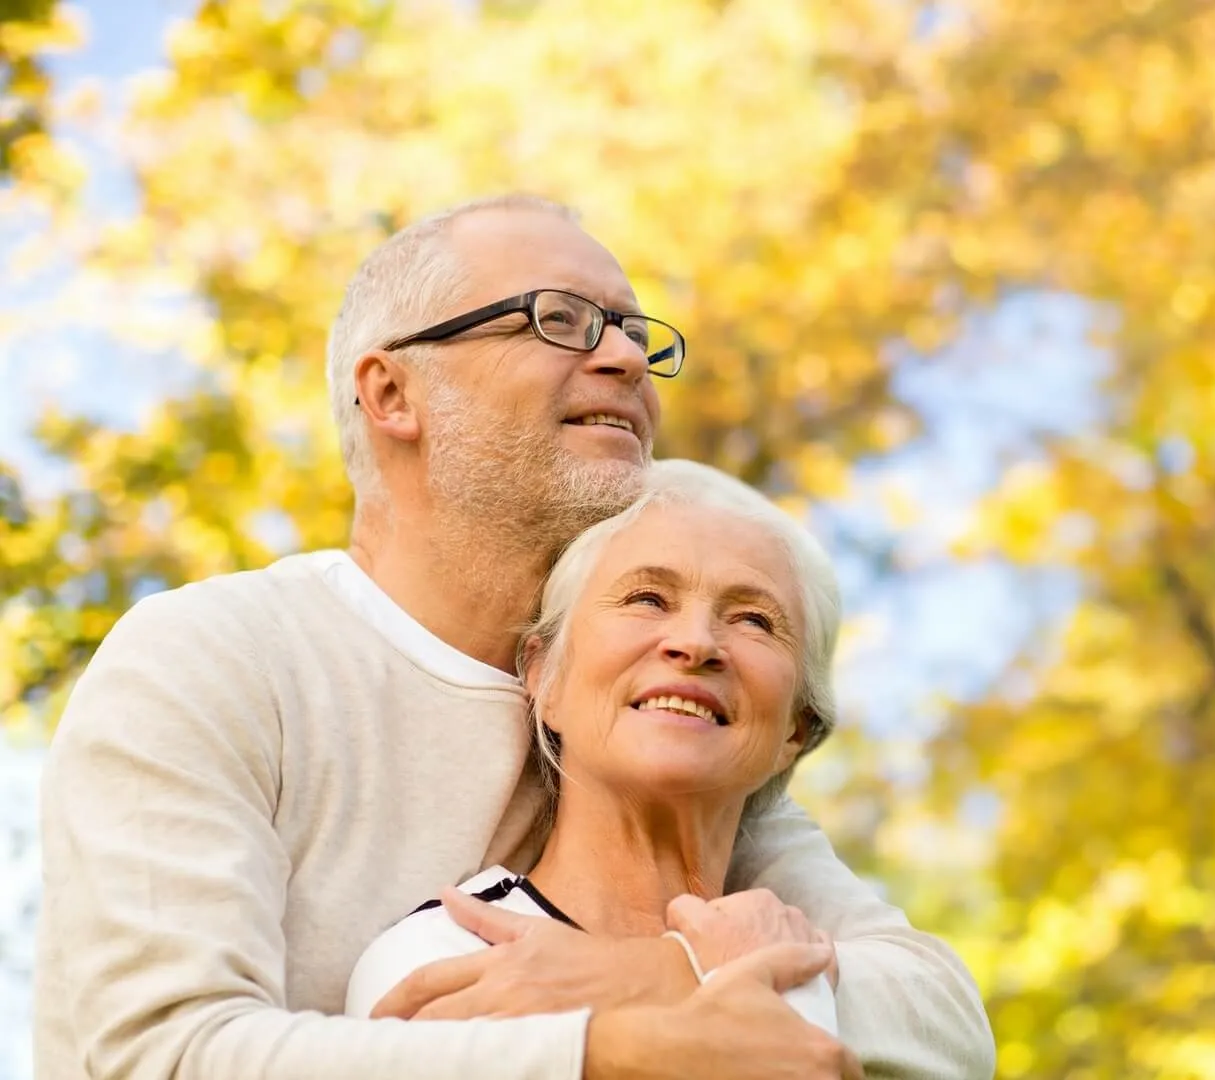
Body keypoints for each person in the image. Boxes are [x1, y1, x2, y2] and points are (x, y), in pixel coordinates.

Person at [33, 195, 994, 1080]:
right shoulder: (217, 658)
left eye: (631, 332)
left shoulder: (644, 723)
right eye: (558, 320)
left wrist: (655, 974)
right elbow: (162, 1053)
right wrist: (608, 1046)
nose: (623, 358)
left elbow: (940, 1018)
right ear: (392, 393)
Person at [344, 461, 847, 1037]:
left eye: (755, 619)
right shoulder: (451, 953)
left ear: (795, 731)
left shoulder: (808, 955)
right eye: (648, 599)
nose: (695, 643)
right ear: (544, 676)